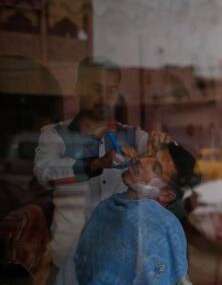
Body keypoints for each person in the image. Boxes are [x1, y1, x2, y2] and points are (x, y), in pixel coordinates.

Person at [33, 56, 170, 269]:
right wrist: (96, 164)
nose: (105, 97)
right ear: (79, 88)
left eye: (111, 90)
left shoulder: (134, 136)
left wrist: (162, 148)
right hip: (71, 259)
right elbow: (44, 174)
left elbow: (172, 170)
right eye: (97, 88)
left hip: (121, 259)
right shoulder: (55, 135)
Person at [71, 142, 198, 285]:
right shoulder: (109, 207)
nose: (141, 160)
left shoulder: (158, 227)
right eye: (149, 155)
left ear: (165, 195)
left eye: (155, 168)